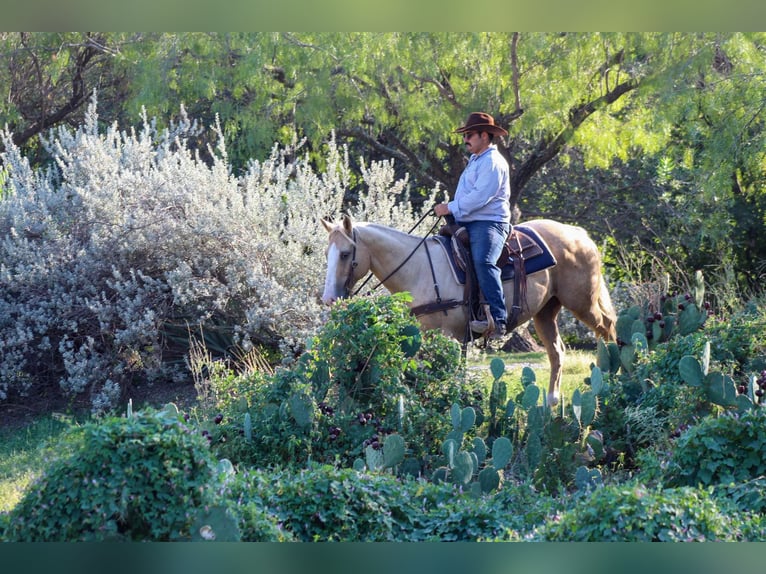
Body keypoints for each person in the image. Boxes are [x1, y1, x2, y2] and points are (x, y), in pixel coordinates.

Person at [434, 112, 511, 340]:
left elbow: (480, 197)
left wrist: (450, 207)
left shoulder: (493, 162)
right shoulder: (477, 160)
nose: (465, 139)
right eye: (465, 135)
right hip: (470, 220)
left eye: (470, 135)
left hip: (490, 223)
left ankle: (498, 319)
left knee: (483, 261)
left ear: (485, 136)